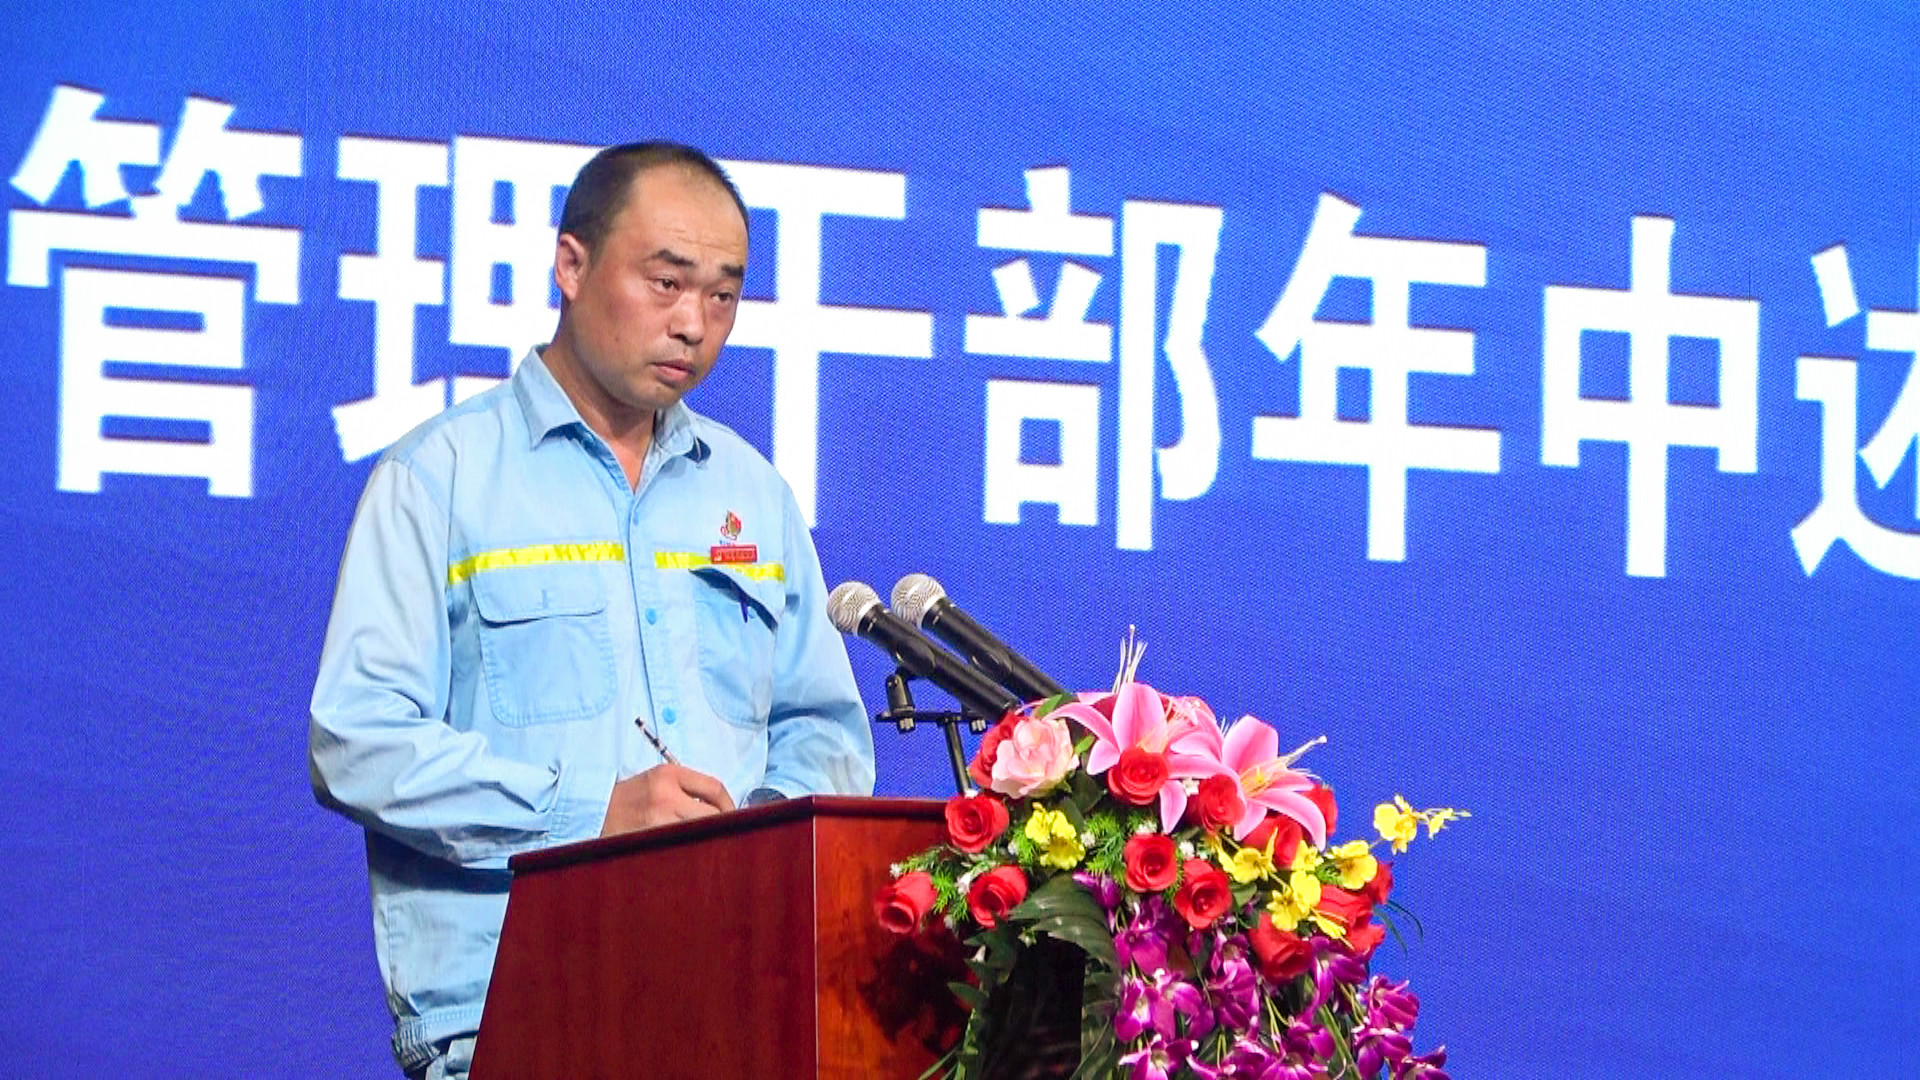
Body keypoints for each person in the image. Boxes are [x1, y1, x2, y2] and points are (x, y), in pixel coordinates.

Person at [309, 142, 875, 1080]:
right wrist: (588, 812)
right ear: (570, 266)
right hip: (520, 1009)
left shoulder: (751, 492)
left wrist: (754, 849)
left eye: (723, 296)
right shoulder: (439, 478)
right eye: (666, 282)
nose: (693, 324)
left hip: (738, 1005)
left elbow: (824, 732)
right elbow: (358, 740)